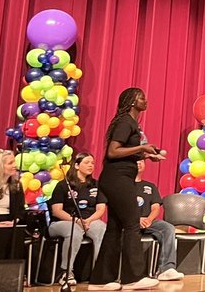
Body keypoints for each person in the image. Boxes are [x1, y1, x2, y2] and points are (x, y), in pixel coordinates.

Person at [90, 87, 165, 290]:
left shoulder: (132, 123)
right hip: (117, 179)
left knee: (114, 228)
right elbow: (113, 152)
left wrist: (147, 155)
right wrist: (141, 147)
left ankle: (101, 280)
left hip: (118, 178)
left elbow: (125, 153)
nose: (146, 100)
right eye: (142, 98)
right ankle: (134, 277)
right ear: (132, 101)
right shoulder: (125, 122)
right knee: (132, 223)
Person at [49, 152, 108, 286]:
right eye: (87, 162)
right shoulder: (64, 185)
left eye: (92, 163)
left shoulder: (96, 185)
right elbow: (57, 211)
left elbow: (100, 209)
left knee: (102, 230)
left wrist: (88, 221)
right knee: (74, 231)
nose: (90, 165)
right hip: (64, 222)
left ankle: (99, 272)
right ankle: (66, 272)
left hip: (89, 220)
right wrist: (76, 221)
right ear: (76, 165)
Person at [134, 159, 183, 280]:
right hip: (129, 221)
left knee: (167, 228)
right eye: (136, 161)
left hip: (148, 221)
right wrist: (136, 219)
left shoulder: (150, 186)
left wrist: (149, 220)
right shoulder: (123, 185)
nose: (139, 163)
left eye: (142, 161)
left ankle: (166, 269)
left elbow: (156, 208)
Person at [0, 149, 25, 260]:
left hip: (8, 222)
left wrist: (14, 222)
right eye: (10, 163)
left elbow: (20, 210)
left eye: (14, 162)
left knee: (17, 233)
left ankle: (14, 273)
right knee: (3, 234)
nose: (15, 166)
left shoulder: (16, 186)